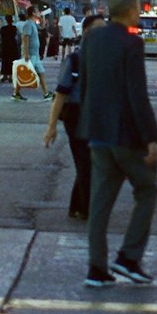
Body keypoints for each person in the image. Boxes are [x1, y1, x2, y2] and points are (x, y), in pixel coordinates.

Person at [78, 0, 157, 287]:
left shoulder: (91, 39)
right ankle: (128, 257)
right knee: (147, 190)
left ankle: (96, 269)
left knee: (99, 205)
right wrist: (150, 137)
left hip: (97, 132)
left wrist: (86, 126)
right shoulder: (132, 43)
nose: (139, 13)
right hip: (126, 135)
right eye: (137, 8)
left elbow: (84, 85)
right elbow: (137, 94)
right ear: (128, 12)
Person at [44, 14, 102, 219]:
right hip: (76, 116)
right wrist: (51, 127)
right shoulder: (74, 59)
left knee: (92, 162)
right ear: (86, 32)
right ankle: (89, 210)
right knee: (85, 163)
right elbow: (60, 94)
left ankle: (76, 205)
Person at [13, 5, 51, 100]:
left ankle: (46, 94)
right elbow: (26, 38)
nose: (39, 12)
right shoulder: (28, 24)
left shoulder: (33, 23)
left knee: (41, 73)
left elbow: (42, 26)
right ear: (33, 13)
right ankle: (16, 93)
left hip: (35, 55)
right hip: (30, 54)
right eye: (37, 11)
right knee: (25, 73)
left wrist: (42, 17)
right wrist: (26, 54)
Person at [0, 13, 20, 84]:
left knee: (5, 61)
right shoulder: (14, 28)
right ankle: (11, 76)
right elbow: (16, 36)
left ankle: (5, 76)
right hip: (13, 46)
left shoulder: (3, 29)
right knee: (12, 61)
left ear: (6, 20)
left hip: (5, 46)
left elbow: (1, 37)